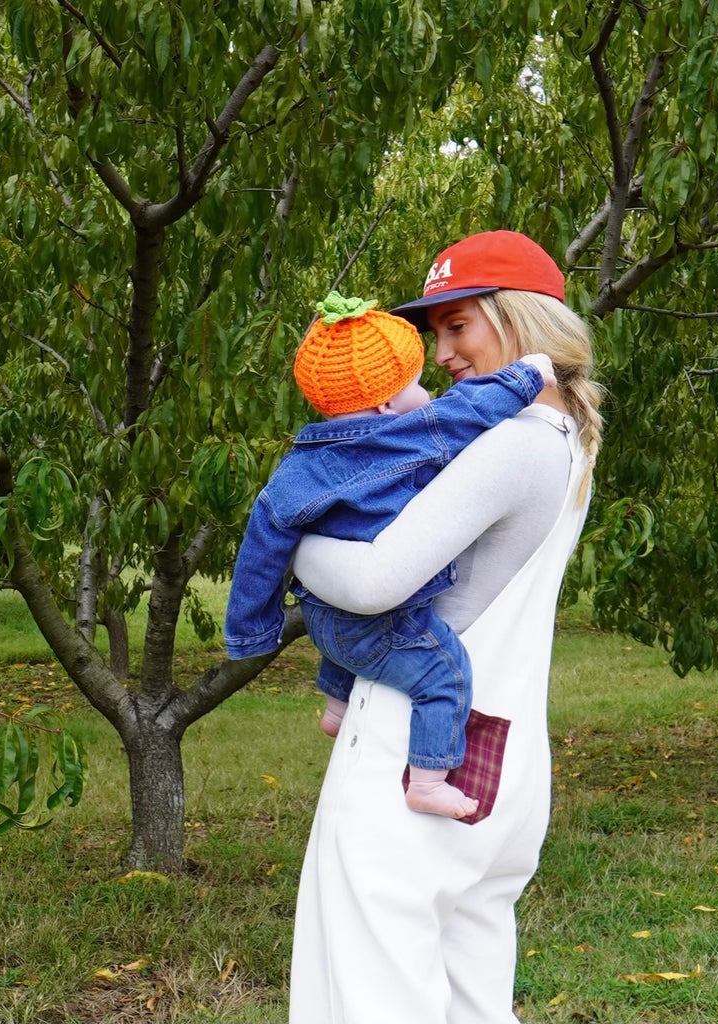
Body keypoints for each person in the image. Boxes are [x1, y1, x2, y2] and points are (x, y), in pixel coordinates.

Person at [286, 231, 605, 1024]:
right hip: (503, 753)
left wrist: (288, 534)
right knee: (471, 995)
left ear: (520, 319)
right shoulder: (568, 437)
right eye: (436, 333)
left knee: (374, 993)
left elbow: (374, 581)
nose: (444, 352)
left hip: (413, 750)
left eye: (460, 325)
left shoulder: (510, 447)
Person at [224, 291, 557, 819]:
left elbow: (260, 552)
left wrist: (251, 629)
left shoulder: (297, 466)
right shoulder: (408, 436)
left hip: (321, 618)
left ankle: (335, 706)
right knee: (444, 673)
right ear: (385, 404)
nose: (430, 391)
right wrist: (527, 375)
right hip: (379, 618)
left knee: (344, 643)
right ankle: (427, 780)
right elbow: (469, 409)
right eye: (416, 384)